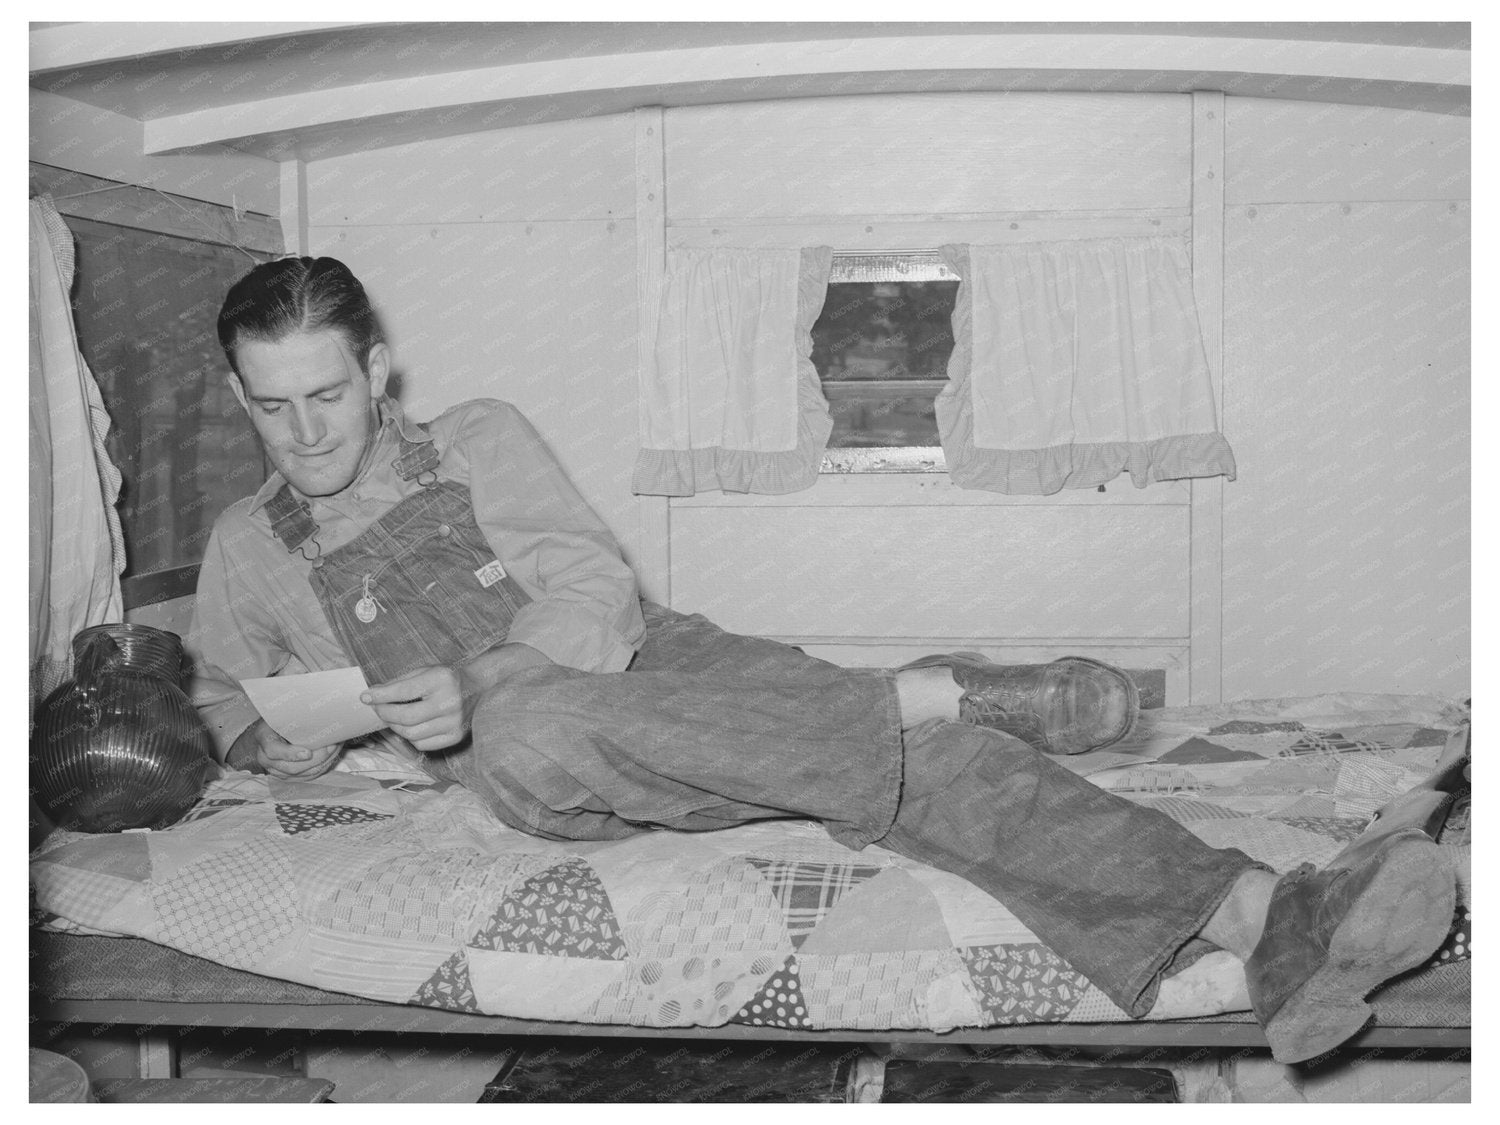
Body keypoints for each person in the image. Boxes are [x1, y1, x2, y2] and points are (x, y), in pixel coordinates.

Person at [187, 257, 1454, 1065]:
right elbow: (214, 697)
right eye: (270, 406)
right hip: (532, 754)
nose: (303, 433)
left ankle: (1270, 919)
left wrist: (488, 667)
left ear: (377, 371)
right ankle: (908, 691)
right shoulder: (247, 549)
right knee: (521, 729)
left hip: (653, 668)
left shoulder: (475, 437)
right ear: (241, 395)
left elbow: (590, 586)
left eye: (328, 397)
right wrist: (268, 734)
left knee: (931, 764)